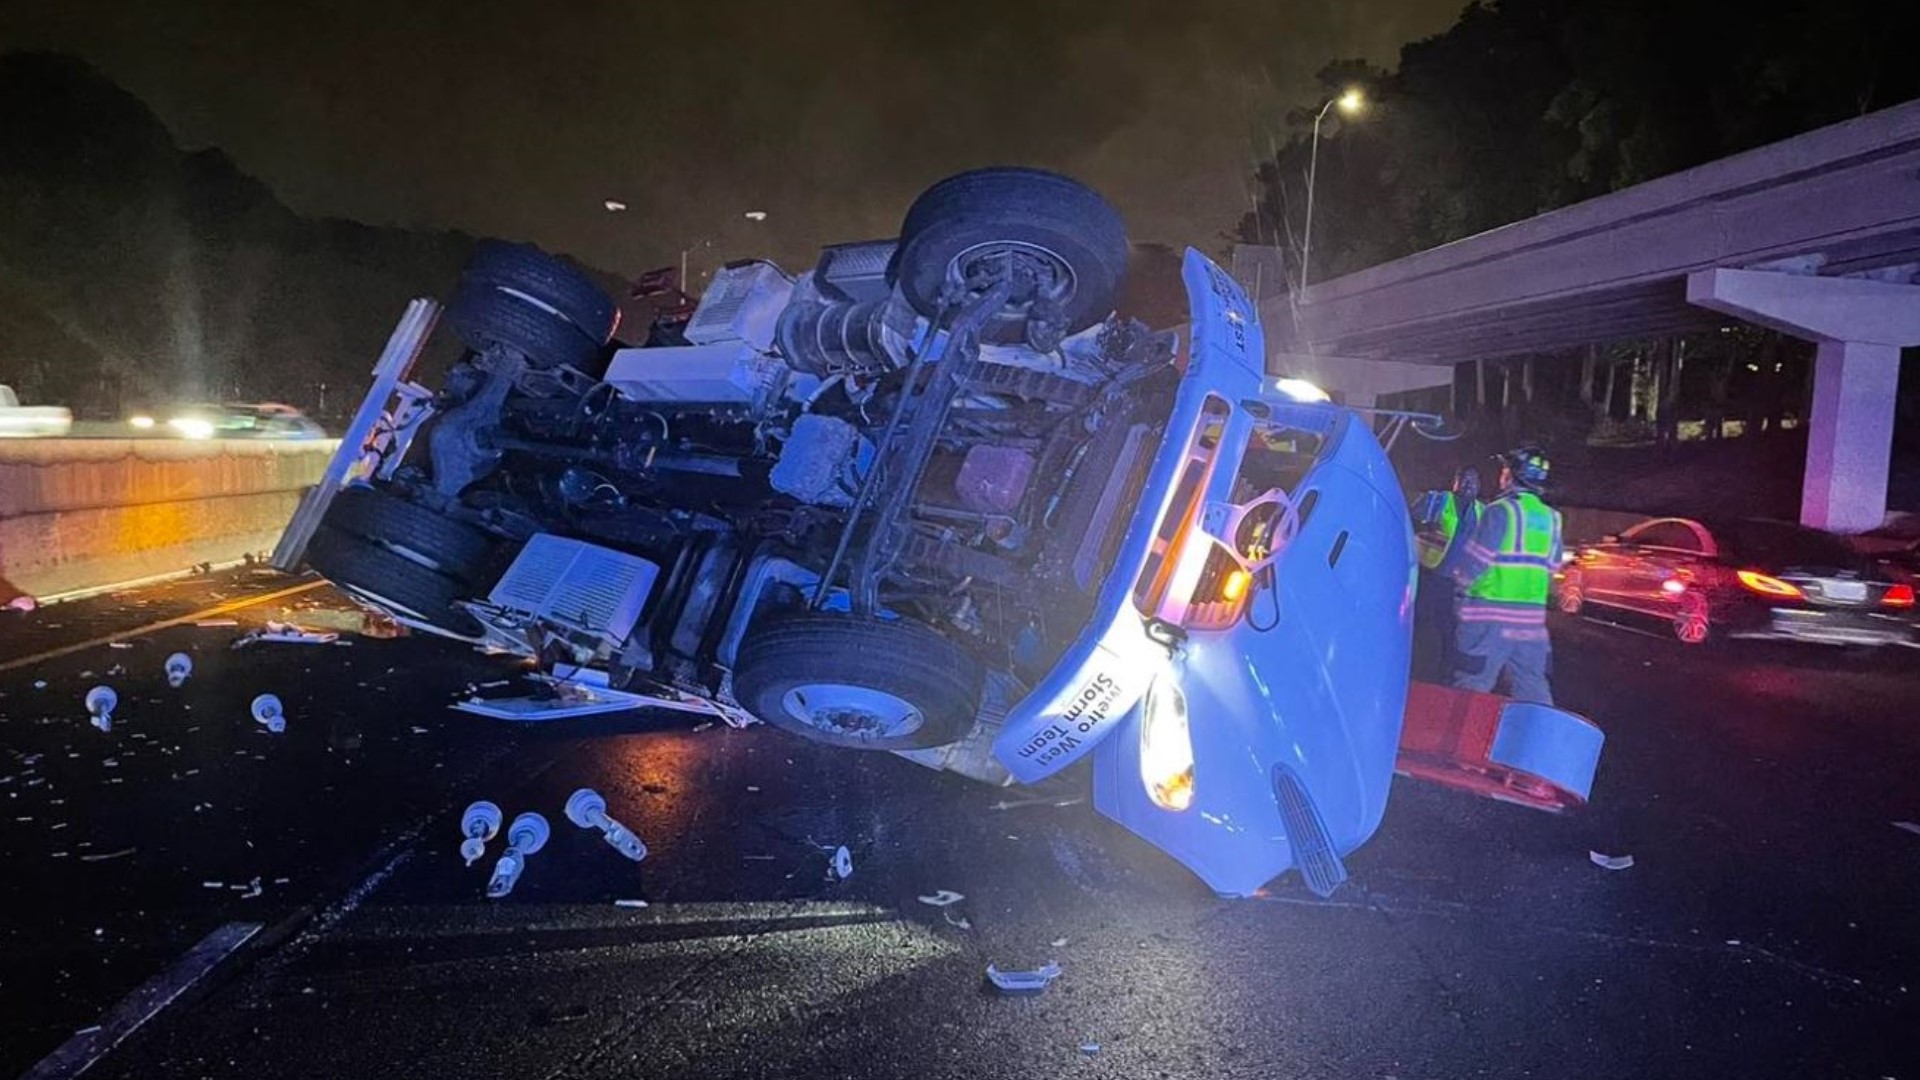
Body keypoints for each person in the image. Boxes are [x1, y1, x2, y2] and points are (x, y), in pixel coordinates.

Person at [1447, 445, 1562, 704]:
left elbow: (1473, 565)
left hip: (1488, 619)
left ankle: (1460, 743)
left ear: (1511, 476)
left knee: (1471, 688)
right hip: (1531, 623)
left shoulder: (1500, 511)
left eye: (1505, 470)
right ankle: (1538, 742)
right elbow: (1553, 567)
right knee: (1533, 688)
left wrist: (1458, 593)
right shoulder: (1552, 519)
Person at [1410, 466, 1481, 681]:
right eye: (1465, 480)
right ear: (1455, 482)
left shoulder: (1482, 511)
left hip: (1457, 582)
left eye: (1474, 481)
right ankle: (1415, 668)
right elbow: (1411, 520)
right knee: (1420, 624)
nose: (1469, 485)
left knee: (1449, 629)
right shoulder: (1438, 500)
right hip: (1430, 573)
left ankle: (1444, 674)